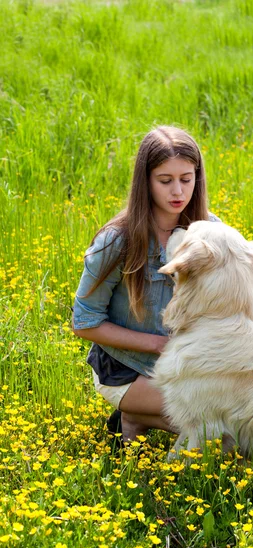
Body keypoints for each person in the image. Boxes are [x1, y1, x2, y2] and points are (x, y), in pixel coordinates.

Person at [72, 125, 220, 444]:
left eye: (186, 179)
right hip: (124, 370)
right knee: (218, 430)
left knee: (245, 419)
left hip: (184, 368)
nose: (178, 192)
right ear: (146, 182)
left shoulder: (209, 231)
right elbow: (84, 323)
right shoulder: (116, 242)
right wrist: (157, 344)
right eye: (165, 181)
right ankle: (133, 412)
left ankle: (139, 417)